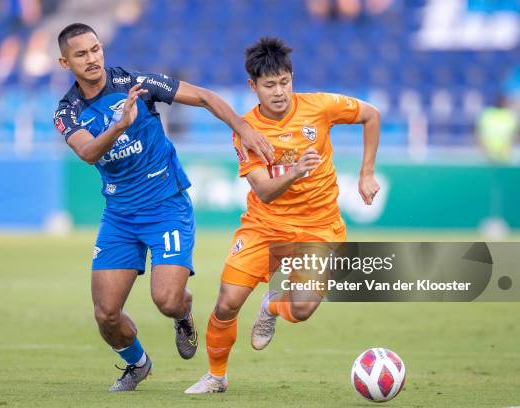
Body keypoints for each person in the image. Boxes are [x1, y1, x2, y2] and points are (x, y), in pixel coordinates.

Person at [53, 23, 274, 392]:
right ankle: (136, 364)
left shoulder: (136, 85)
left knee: (167, 300)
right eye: (81, 54)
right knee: (106, 315)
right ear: (65, 62)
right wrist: (120, 125)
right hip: (120, 216)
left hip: (166, 204)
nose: (91, 59)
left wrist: (242, 128)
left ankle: (182, 313)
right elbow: (89, 152)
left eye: (95, 49)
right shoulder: (67, 111)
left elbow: (203, 97)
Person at [185, 37, 381, 394]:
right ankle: (216, 376)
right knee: (227, 302)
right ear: (253, 86)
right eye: (269, 85)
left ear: (293, 77)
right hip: (265, 226)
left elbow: (371, 115)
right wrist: (295, 171)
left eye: (285, 82)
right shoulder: (246, 130)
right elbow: (263, 190)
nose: (279, 92)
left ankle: (272, 304)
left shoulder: (320, 107)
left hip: (318, 228)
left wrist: (367, 173)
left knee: (302, 309)